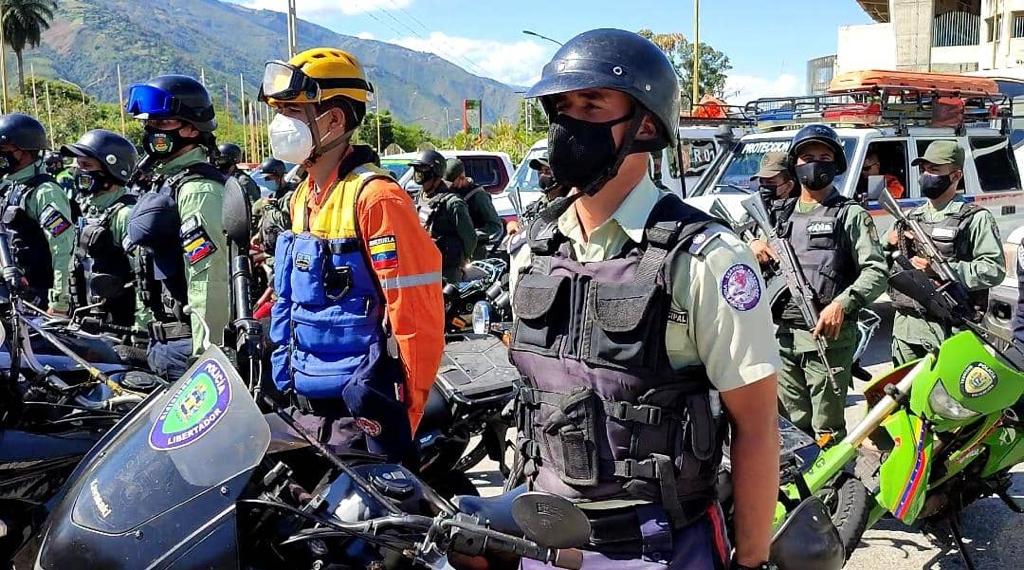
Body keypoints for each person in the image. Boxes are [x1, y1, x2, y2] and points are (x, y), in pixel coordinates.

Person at [510, 29, 780, 569]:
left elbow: (756, 425)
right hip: (542, 538)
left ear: (647, 124)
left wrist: (751, 558)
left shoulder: (705, 258)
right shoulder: (533, 251)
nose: (568, 123)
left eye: (590, 104)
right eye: (561, 106)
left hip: (657, 542)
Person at [262, 47, 444, 462]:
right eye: (279, 110)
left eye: (292, 110)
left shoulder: (378, 198)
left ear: (334, 120)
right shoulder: (303, 197)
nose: (280, 123)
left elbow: (415, 314)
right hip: (305, 405)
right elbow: (291, 298)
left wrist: (403, 418)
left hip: (357, 414)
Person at [749, 124, 887, 442]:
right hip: (783, 337)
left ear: (836, 165)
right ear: (795, 164)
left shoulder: (848, 214)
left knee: (826, 430)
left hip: (827, 339)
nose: (815, 163)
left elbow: (876, 271)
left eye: (824, 156)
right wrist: (752, 248)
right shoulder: (779, 215)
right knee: (790, 425)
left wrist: (843, 303)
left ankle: (835, 492)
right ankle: (801, 491)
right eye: (807, 156)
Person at [123, 75, 230, 381]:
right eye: (150, 123)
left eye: (163, 123)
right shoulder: (166, 182)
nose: (151, 131)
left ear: (191, 128)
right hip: (164, 346)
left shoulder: (198, 189)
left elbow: (207, 280)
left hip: (188, 350)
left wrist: (207, 356)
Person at [886, 141, 1005, 365]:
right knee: (906, 399)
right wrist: (888, 243)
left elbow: (994, 269)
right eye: (924, 169)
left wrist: (941, 270)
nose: (926, 175)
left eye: (935, 170)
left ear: (955, 175)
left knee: (950, 399)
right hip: (907, 328)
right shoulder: (911, 218)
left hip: (952, 328)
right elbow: (879, 262)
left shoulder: (975, 218)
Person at [61, 129, 149, 330]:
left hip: (118, 326)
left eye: (86, 165)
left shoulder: (126, 214)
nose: (78, 172)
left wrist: (141, 328)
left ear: (112, 170)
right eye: (77, 165)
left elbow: (144, 275)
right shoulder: (86, 208)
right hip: (85, 319)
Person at [0, 113, 75, 314]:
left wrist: (59, 302)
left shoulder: (45, 192)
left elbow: (63, 248)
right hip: (12, 294)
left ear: (23, 151)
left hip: (38, 301)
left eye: (3, 149)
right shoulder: (11, 188)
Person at [411, 149, 476, 282]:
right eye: (417, 170)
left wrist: (461, 260)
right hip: (422, 267)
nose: (418, 174)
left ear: (434, 173)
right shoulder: (418, 198)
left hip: (446, 272)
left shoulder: (452, 203)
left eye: (422, 170)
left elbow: (470, 238)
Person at [444, 157, 502, 259]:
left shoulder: (478, 195)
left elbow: (495, 225)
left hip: (475, 252)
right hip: (452, 251)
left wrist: (470, 235)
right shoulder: (449, 192)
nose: (449, 186)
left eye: (452, 182)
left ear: (462, 177)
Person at [505, 156, 567, 236]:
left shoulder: (568, 201)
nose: (542, 175)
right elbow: (523, 222)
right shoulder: (540, 203)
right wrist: (513, 225)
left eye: (547, 171)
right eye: (540, 172)